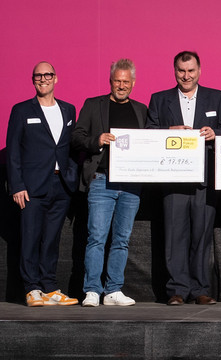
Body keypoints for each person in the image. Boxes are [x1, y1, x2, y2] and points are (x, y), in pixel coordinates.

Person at [147, 51, 221, 305]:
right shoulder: (159, 99)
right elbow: (148, 133)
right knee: (175, 237)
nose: (186, 76)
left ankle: (200, 289)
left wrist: (215, 133)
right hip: (173, 178)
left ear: (199, 71)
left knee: (202, 237)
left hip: (205, 178)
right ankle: (177, 290)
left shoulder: (216, 97)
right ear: (174, 71)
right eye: (181, 71)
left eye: (191, 71)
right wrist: (167, 132)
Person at [72, 58, 147, 307]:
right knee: (97, 237)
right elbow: (77, 137)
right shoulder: (94, 105)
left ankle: (113, 290)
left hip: (131, 184)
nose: (121, 85)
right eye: (117, 81)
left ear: (133, 83)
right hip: (101, 180)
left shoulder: (141, 110)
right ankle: (92, 290)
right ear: (110, 81)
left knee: (122, 239)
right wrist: (97, 140)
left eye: (126, 81)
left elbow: (152, 141)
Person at [7, 61, 79, 307]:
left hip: (61, 185)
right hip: (31, 187)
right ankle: (32, 288)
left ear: (56, 78)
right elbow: (13, 150)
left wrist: (72, 175)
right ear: (33, 80)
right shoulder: (21, 110)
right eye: (38, 76)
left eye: (48, 75)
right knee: (30, 238)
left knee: (51, 240)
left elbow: (70, 147)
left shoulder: (69, 110)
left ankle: (49, 287)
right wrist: (17, 185)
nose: (43, 79)